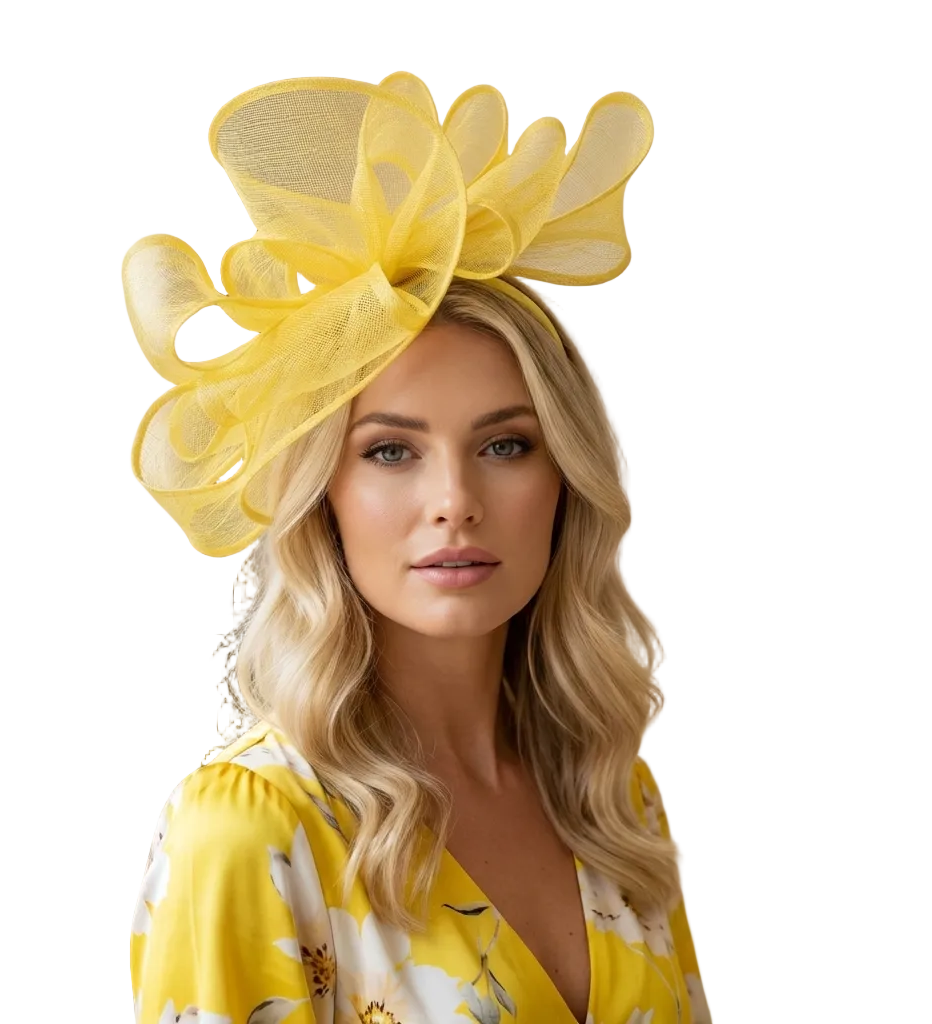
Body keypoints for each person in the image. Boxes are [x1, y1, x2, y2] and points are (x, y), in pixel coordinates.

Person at [124, 73, 712, 1024]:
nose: (455, 502)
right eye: (391, 451)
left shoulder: (610, 799)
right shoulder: (252, 830)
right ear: (325, 497)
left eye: (505, 446)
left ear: (565, 478)